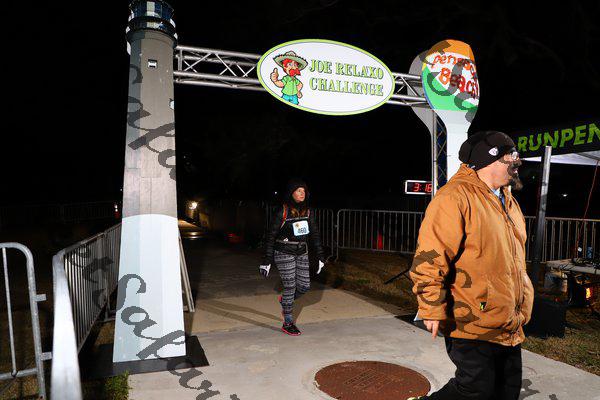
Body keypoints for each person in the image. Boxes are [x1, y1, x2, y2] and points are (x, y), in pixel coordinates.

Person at [408, 131, 534, 400]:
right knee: (474, 390)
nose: (516, 163)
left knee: (507, 390)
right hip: (470, 318)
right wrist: (430, 306)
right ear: (489, 161)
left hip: (508, 319)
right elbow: (430, 256)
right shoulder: (454, 198)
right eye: (510, 157)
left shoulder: (508, 201)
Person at [260, 179, 327, 335]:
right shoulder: (283, 211)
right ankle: (288, 322)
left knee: (304, 286)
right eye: (298, 190)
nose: (302, 193)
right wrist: (267, 260)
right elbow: (271, 236)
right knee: (290, 286)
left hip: (302, 251)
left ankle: (285, 300)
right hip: (284, 251)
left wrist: (320, 256)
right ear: (291, 193)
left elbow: (315, 234)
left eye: (304, 191)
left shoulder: (308, 211)